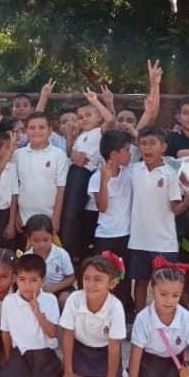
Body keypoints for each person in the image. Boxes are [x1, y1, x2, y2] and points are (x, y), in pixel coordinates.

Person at [127, 125, 189, 314]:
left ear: (163, 147)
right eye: (143, 143)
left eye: (152, 143)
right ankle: (139, 318)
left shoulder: (171, 174)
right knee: (140, 282)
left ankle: (168, 319)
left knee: (166, 284)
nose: (147, 148)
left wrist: (188, 200)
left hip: (164, 242)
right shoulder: (133, 170)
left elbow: (176, 208)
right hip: (139, 240)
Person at [58, 254, 127, 377]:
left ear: (112, 282)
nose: (90, 284)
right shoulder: (74, 299)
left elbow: (114, 346)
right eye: (87, 278)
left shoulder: (115, 307)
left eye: (98, 279)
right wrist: (68, 372)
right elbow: (68, 336)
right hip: (80, 350)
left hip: (105, 353)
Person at [0, 253, 62, 377]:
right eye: (22, 280)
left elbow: (52, 333)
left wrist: (38, 313)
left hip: (44, 353)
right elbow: (5, 332)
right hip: (21, 352)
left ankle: (52, 373)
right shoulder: (9, 301)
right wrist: (7, 357)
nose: (27, 285)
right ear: (15, 279)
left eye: (33, 280)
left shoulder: (50, 300)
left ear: (43, 281)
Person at [61, 90, 114, 261]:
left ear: (98, 118)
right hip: (74, 173)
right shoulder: (80, 136)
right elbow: (70, 153)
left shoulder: (100, 132)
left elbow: (111, 119)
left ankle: (73, 249)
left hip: (86, 173)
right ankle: (71, 248)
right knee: (71, 214)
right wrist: (70, 137)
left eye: (88, 115)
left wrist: (96, 101)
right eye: (80, 117)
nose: (83, 119)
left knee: (73, 213)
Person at [88, 129, 134, 310]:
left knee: (124, 277)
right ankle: (103, 309)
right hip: (106, 235)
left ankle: (123, 310)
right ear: (114, 154)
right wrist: (104, 182)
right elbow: (102, 207)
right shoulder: (96, 177)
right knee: (105, 275)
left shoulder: (129, 173)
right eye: (126, 150)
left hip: (126, 234)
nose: (130, 154)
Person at [12, 112, 68, 240]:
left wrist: (56, 218)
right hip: (24, 218)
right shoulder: (17, 155)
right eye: (32, 128)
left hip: (48, 219)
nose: (37, 131)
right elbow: (15, 187)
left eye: (42, 127)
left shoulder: (58, 155)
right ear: (26, 131)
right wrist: (16, 215)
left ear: (50, 130)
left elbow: (61, 189)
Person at [24, 214, 75, 309]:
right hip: (35, 290)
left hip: (59, 289)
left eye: (46, 240)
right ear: (29, 238)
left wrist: (54, 287)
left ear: (52, 235)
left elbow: (71, 278)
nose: (41, 245)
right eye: (36, 241)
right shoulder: (27, 256)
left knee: (65, 298)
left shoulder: (61, 254)